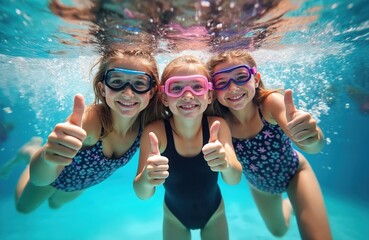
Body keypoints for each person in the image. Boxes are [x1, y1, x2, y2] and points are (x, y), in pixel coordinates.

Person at [15, 49, 159, 213]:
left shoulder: (146, 124)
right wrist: (48, 156)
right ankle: (30, 150)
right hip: (54, 175)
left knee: (55, 204)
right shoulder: (91, 121)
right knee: (23, 208)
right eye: (117, 82)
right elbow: (39, 179)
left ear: (151, 91)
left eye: (140, 83)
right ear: (103, 89)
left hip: (82, 184)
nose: (127, 92)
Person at [207, 49, 332, 239]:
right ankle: (290, 204)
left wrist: (313, 137)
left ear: (255, 79)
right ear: (214, 91)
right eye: (222, 82)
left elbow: (312, 147)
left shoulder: (269, 104)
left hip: (295, 173)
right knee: (278, 231)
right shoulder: (220, 121)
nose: (232, 87)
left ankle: (298, 198)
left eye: (241, 77)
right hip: (259, 185)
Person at [133, 55, 242, 240]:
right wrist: (146, 179)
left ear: (209, 95)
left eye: (197, 86)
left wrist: (226, 165)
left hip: (214, 213)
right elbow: (143, 194)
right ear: (165, 98)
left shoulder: (217, 125)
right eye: (176, 88)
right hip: (174, 217)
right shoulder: (156, 132)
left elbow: (234, 179)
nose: (188, 95)